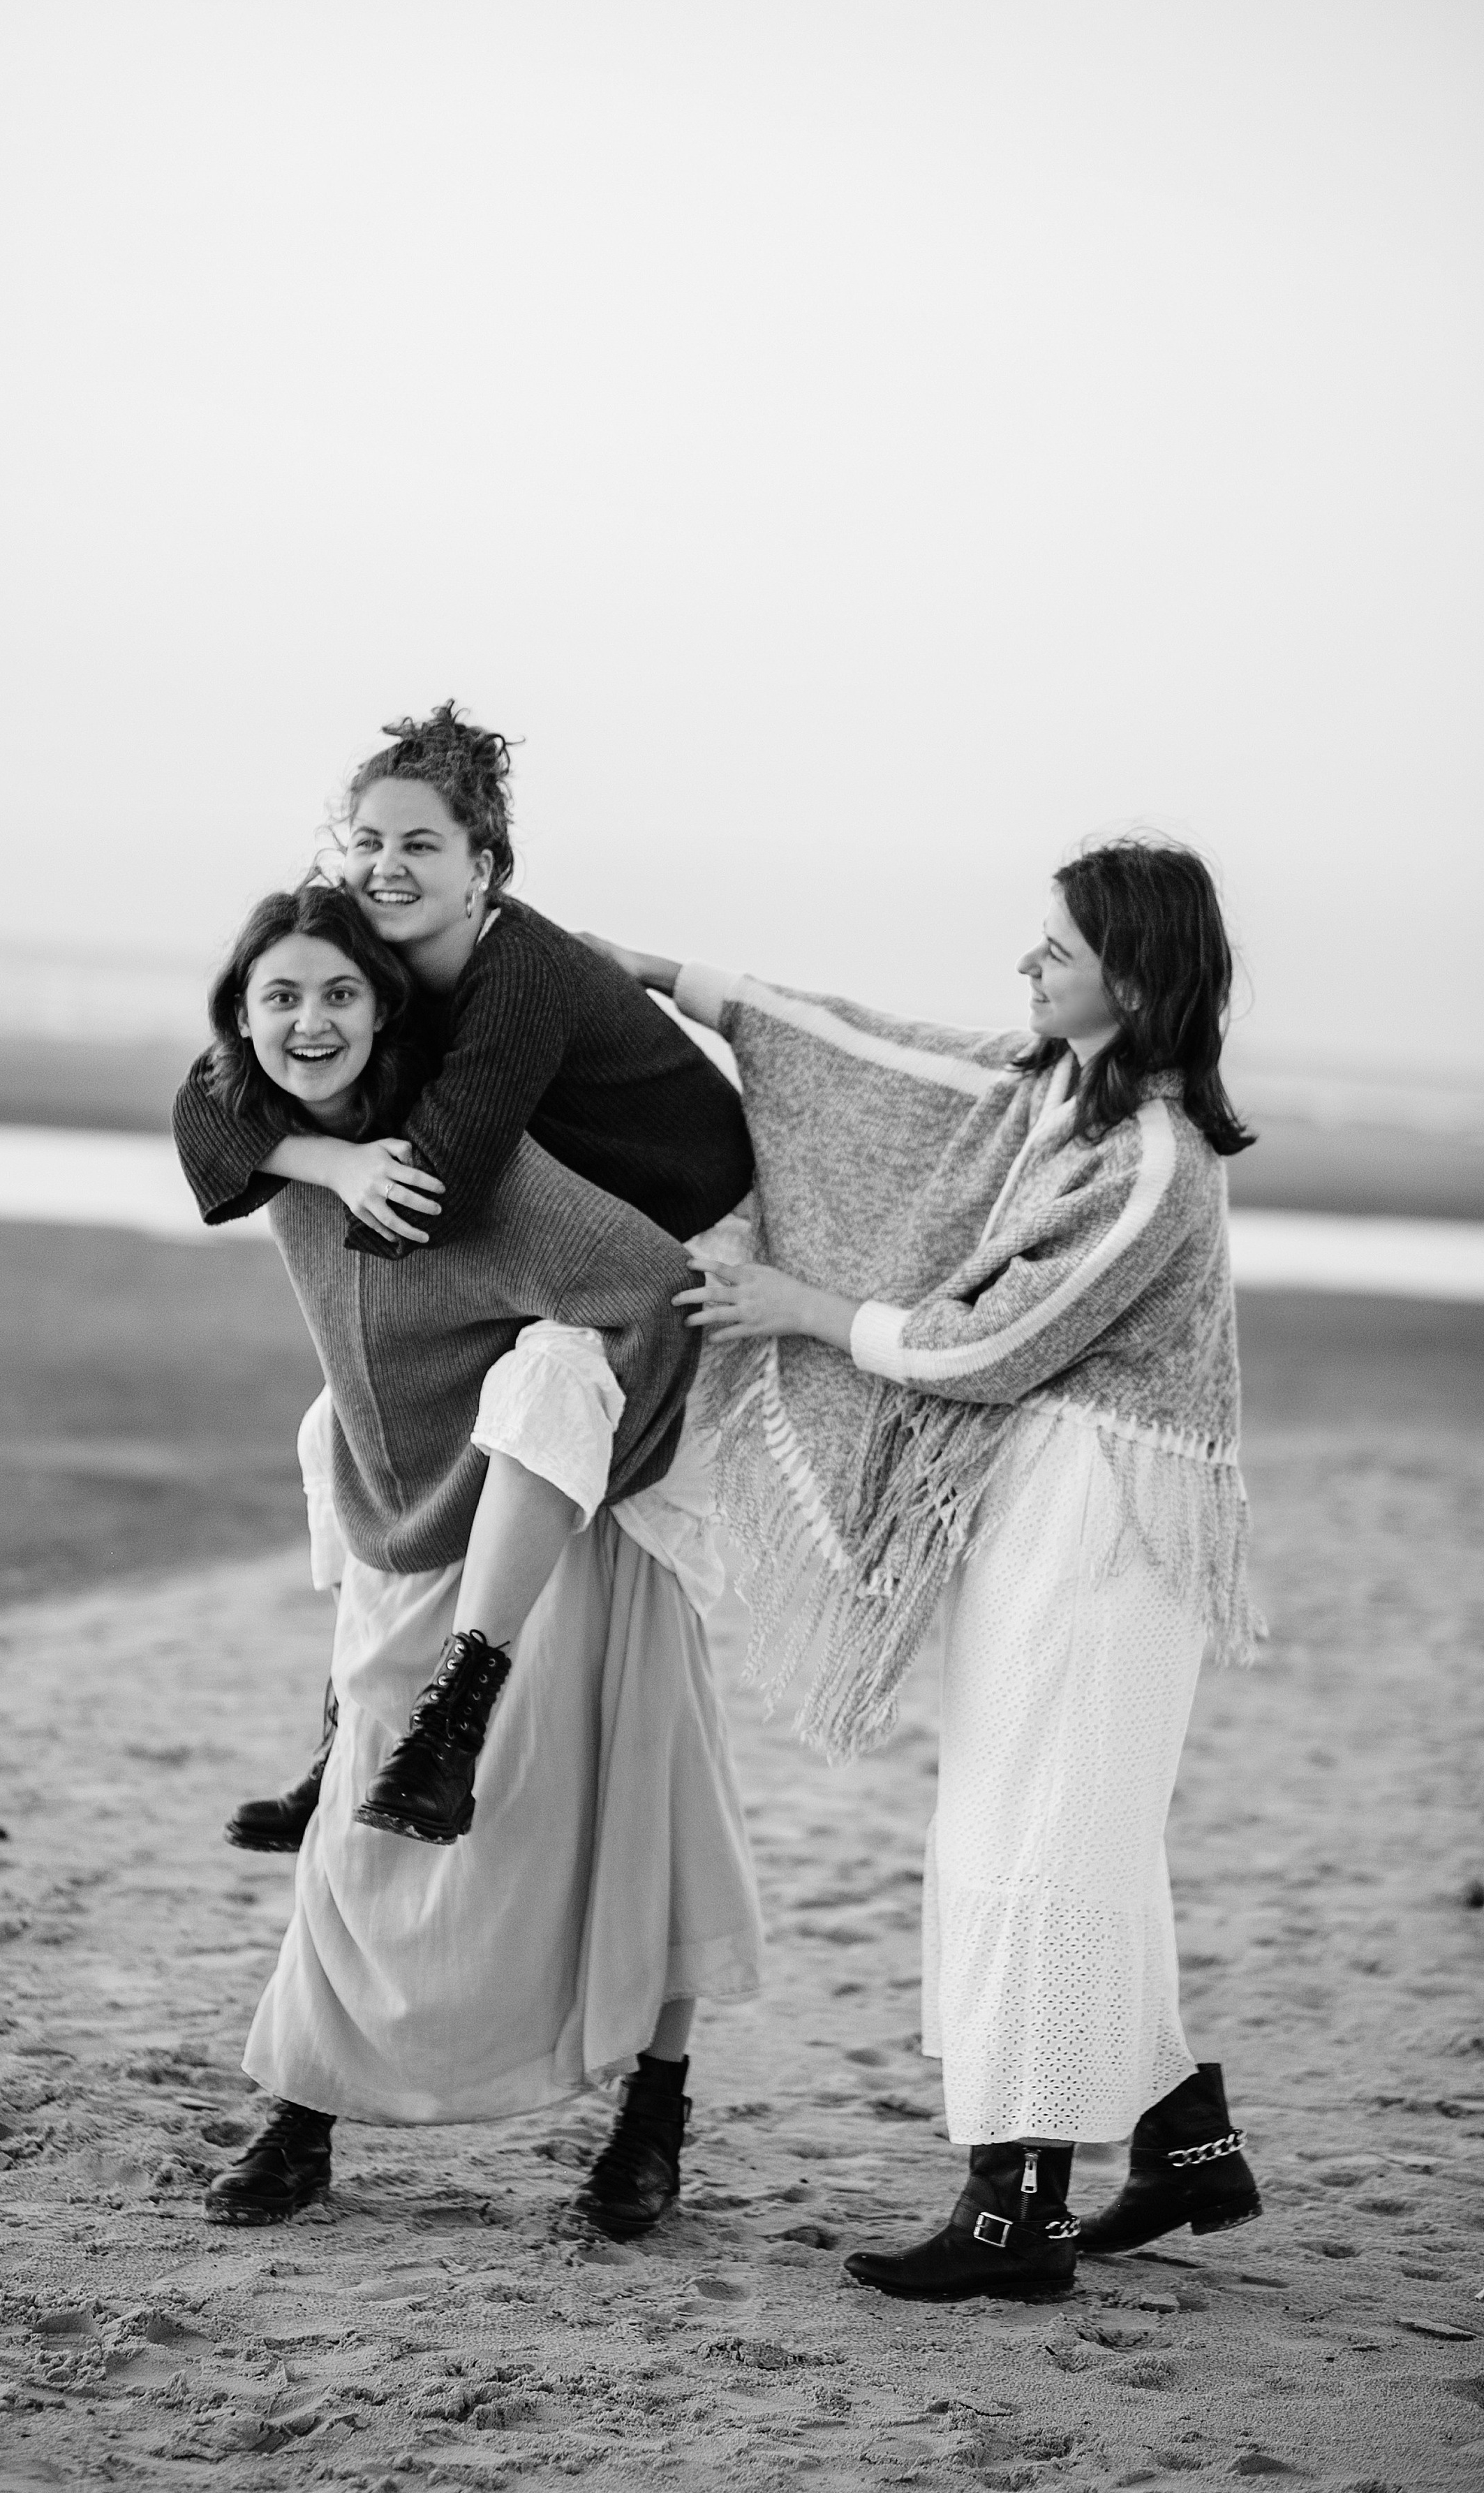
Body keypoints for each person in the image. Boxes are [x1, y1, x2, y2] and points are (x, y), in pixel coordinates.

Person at [584, 840, 1265, 2300]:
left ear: (1134, 980)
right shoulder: (1051, 1091)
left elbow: (990, 1346)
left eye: (1057, 950)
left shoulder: (1149, 1161)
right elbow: (873, 1060)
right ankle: (1178, 2136)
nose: (1025, 965)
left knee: (1038, 1844)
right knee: (1041, 1827)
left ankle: (1014, 2211)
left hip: (1109, 1524)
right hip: (1040, 1506)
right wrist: (665, 980)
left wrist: (801, 1306)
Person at [195, 879, 762, 2240]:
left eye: (340, 994)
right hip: (423, 1495)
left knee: (647, 1793)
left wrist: (595, 1466)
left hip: (579, 1482)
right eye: (279, 997)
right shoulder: (263, 1136)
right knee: (368, 1819)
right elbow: (210, 1114)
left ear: (393, 1014)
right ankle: (303, 2112)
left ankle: (651, 2120)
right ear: (238, 1017)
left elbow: (641, 1294)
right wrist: (320, 1160)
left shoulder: (465, 1153)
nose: (309, 1021)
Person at [175, 703, 752, 1851]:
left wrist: (335, 1150)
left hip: (693, 1238)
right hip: (568, 1218)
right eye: (370, 842)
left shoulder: (516, 975)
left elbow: (437, 1182)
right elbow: (209, 1100)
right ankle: (351, 1735)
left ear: (484, 867)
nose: (387, 867)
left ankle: (449, 1730)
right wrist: (324, 1151)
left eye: (423, 845)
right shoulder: (372, 955)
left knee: (541, 1388)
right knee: (330, 1423)